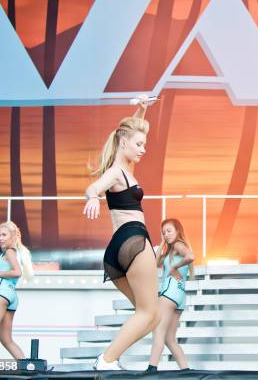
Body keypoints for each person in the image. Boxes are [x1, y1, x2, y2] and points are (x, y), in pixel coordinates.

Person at [83, 98, 160, 370]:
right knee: (150, 312)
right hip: (134, 241)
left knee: (150, 315)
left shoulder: (125, 169)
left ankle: (109, 359)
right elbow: (94, 187)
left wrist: (142, 109)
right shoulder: (116, 172)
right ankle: (106, 359)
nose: (143, 149)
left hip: (117, 251)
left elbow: (127, 129)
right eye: (139, 144)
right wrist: (93, 197)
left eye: (144, 144)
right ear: (124, 142)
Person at [147, 219, 195, 373]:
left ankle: (152, 368)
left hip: (169, 294)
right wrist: (162, 243)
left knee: (158, 332)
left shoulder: (179, 245)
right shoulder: (171, 249)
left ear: (178, 231)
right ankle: (186, 370)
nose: (166, 234)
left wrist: (174, 266)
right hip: (179, 297)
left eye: (169, 231)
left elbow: (191, 256)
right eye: (163, 232)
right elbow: (155, 263)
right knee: (170, 339)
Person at [0, 221, 33, 360]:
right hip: (11, 296)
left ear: (13, 236)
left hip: (1, 293)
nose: (0, 238)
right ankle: (27, 368)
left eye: (4, 234)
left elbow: (17, 272)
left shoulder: (10, 251)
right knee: (6, 340)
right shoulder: (16, 252)